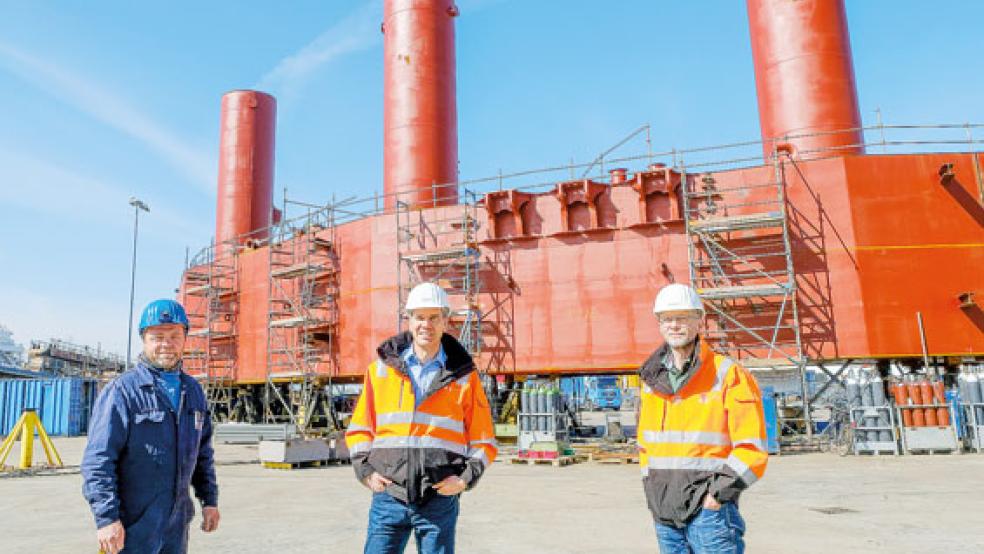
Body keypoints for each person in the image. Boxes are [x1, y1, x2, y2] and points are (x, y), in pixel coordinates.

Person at [345, 282, 497, 554]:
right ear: (409, 319)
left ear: (445, 321)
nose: (426, 324)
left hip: (439, 497)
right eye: (420, 317)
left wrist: (465, 479)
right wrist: (365, 472)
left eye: (434, 317)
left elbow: (484, 439)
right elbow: (360, 429)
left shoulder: (464, 376)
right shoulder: (380, 371)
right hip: (389, 495)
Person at [637, 284, 768, 553]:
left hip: (708, 513)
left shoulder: (728, 374)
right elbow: (644, 446)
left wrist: (716, 496)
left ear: (699, 320)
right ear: (659, 323)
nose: (674, 325)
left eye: (683, 317)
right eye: (667, 318)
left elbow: (752, 448)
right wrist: (652, 491)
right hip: (664, 510)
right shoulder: (651, 381)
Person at [81, 299, 219, 554]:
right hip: (132, 525)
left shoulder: (194, 392)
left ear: (185, 338)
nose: (166, 344)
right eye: (157, 337)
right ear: (144, 340)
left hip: (176, 524)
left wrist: (209, 500)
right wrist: (106, 518)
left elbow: (202, 454)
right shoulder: (122, 392)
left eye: (174, 336)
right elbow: (98, 460)